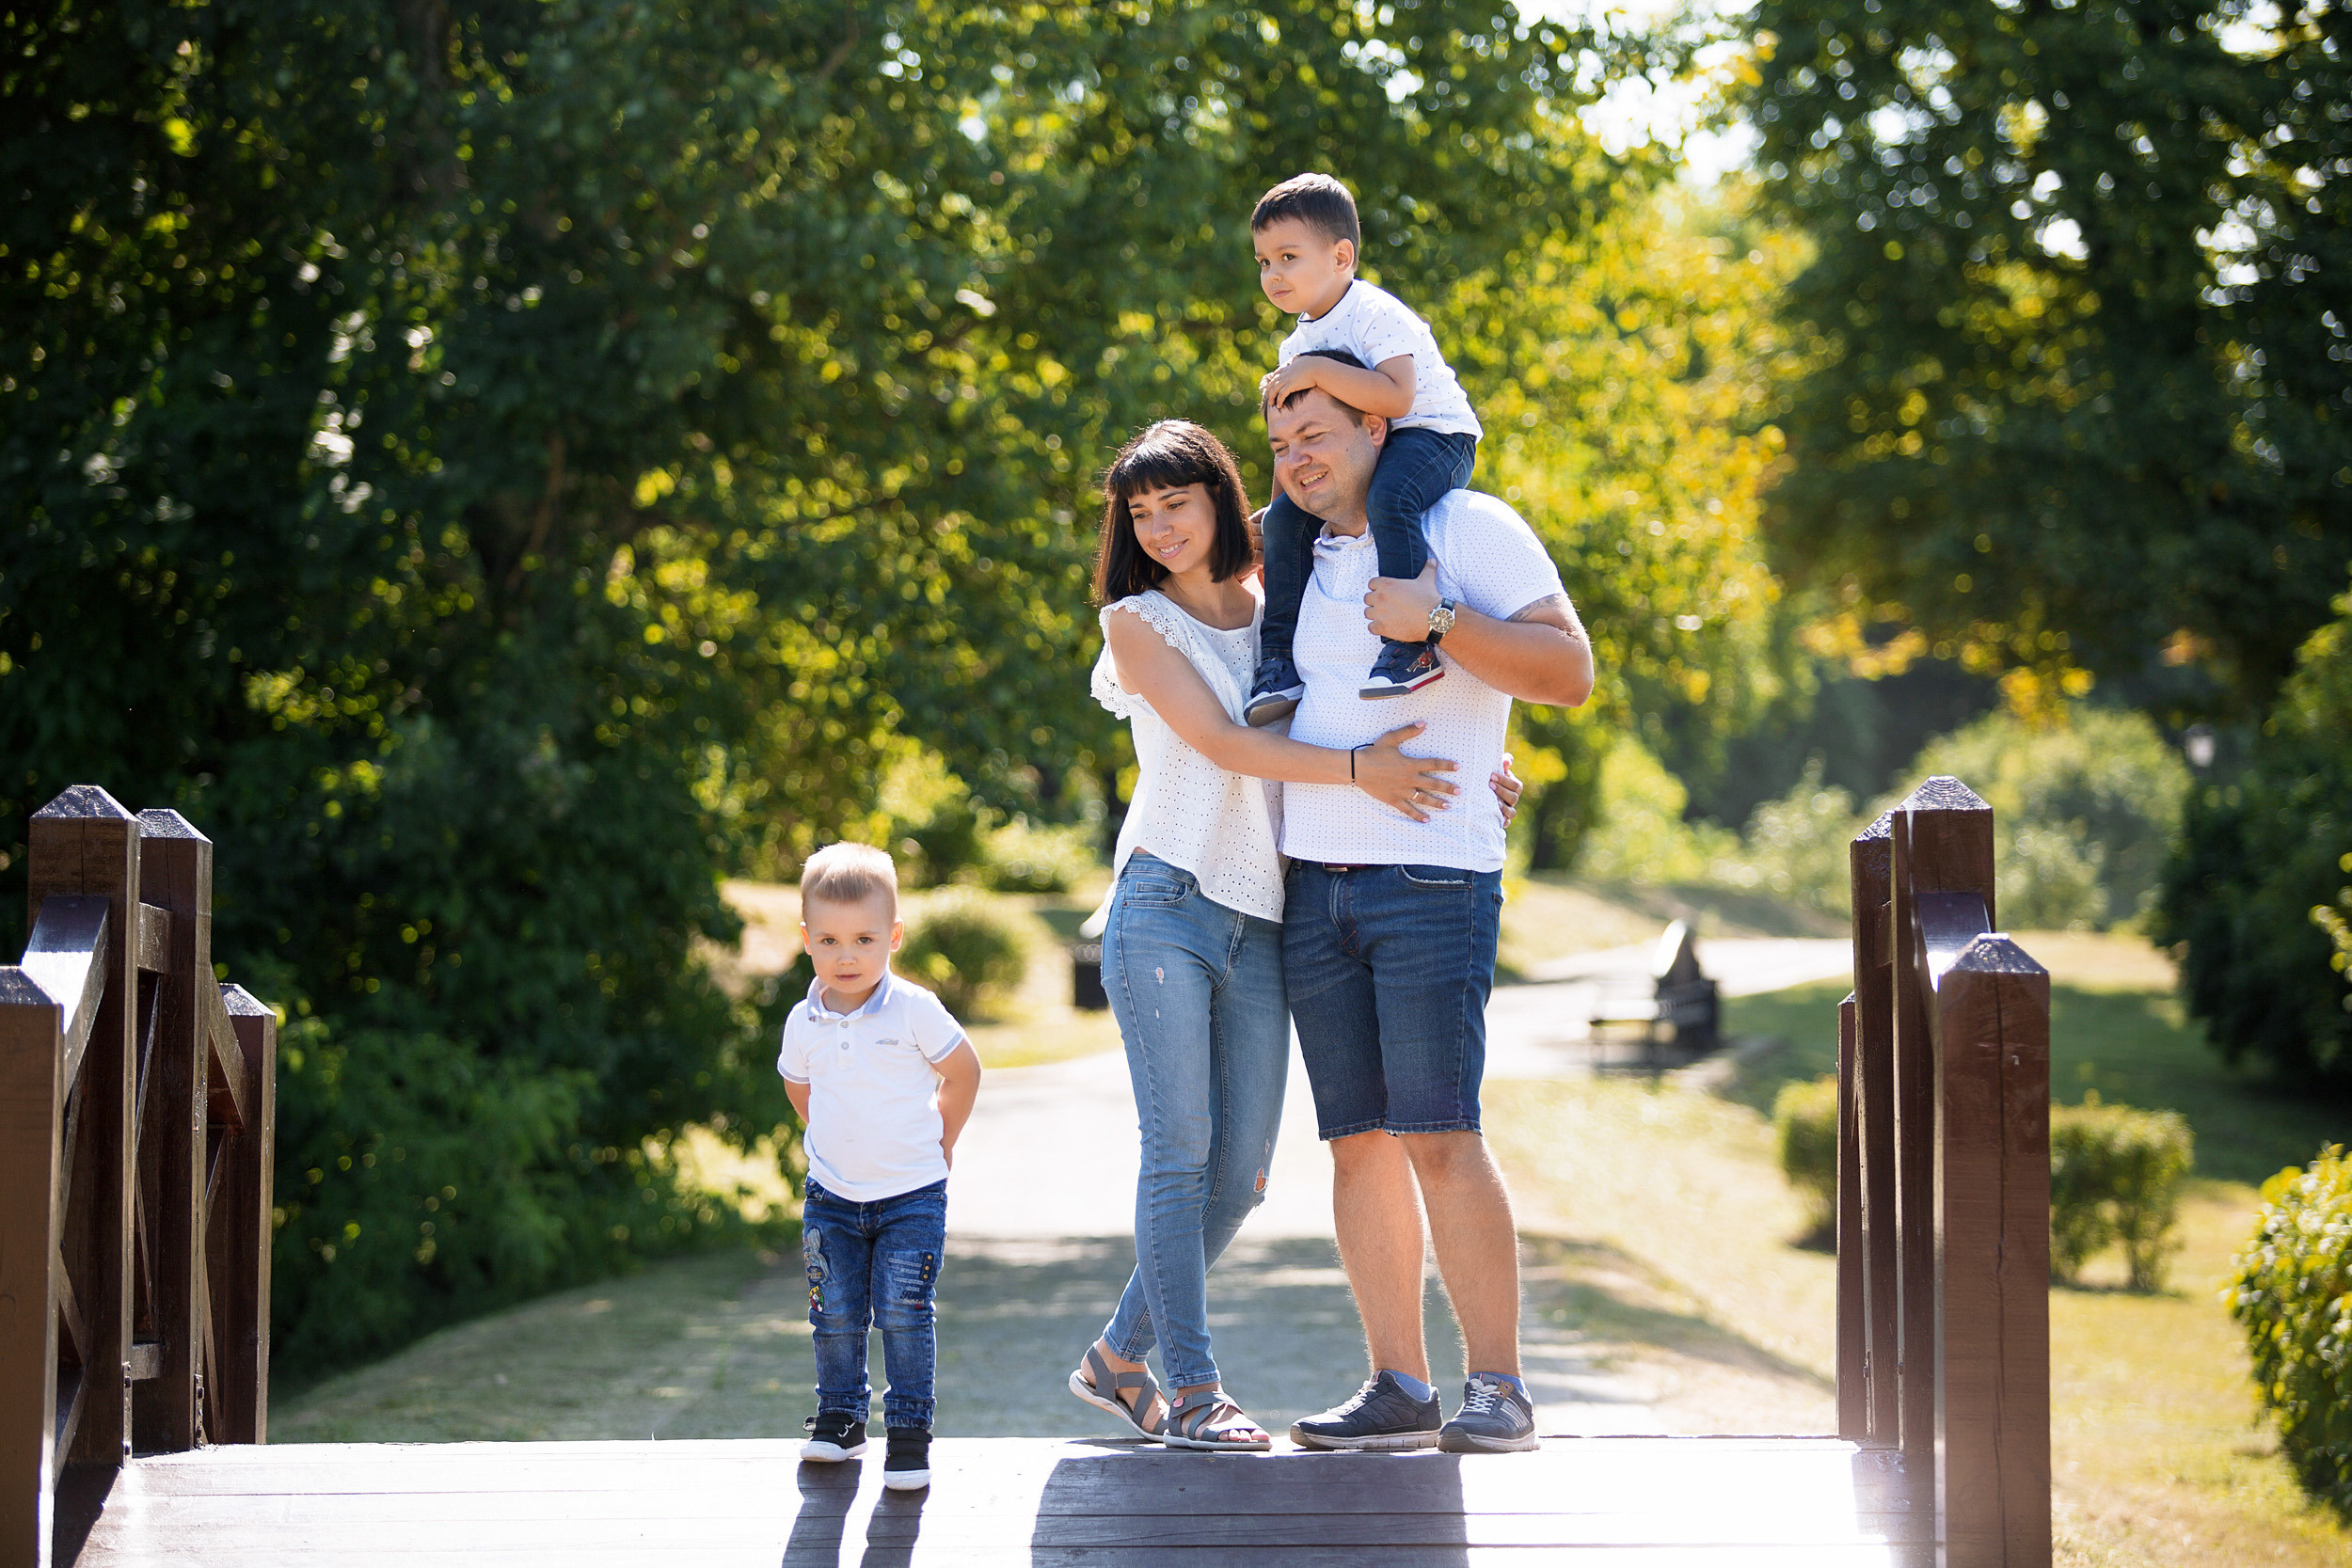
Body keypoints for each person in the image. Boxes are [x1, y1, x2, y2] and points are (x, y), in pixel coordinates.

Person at [1068, 419, 1521, 1450]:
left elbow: (1358, 701)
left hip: (1269, 911)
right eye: (1139, 512)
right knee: (1178, 1153)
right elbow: (1230, 744)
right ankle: (1194, 1392)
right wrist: (1367, 774)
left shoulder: (1289, 599)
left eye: (1175, 502)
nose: (1159, 525)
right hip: (1166, 904)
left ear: (1221, 498)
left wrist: (1467, 762)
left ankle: (1114, 1357)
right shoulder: (1136, 621)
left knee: (1243, 1175)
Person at [1266, 358, 1596, 1455]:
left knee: (1440, 1134)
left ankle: (1497, 1385)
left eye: (1315, 431)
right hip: (1314, 883)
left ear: (1379, 425)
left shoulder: (1469, 524)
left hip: (1432, 881)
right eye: (1279, 442)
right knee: (1356, 1144)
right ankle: (1396, 1384)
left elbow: (1566, 671)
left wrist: (1438, 614)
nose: (1297, 456)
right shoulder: (1295, 557)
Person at [1244, 172, 1485, 721]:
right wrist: (1284, 502)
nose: (1273, 274)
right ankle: (1279, 660)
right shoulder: (1296, 344)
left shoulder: (1376, 314)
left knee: (1389, 498)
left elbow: (1398, 398)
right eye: (1263, 262)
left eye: (1287, 257)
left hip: (1433, 436)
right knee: (1284, 522)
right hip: (1369, 444)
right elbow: (1291, 436)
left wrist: (1315, 370)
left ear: (1341, 255)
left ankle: (1411, 645)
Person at [781, 842, 984, 1492]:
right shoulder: (802, 1021)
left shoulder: (913, 1009)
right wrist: (831, 1140)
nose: (848, 955)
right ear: (806, 939)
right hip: (831, 1195)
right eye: (831, 939)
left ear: (893, 936)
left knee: (902, 1310)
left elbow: (963, 1070)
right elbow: (800, 1088)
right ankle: (840, 1417)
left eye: (865, 938)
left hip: (911, 1194)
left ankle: (908, 1431)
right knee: (834, 1311)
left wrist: (943, 1139)